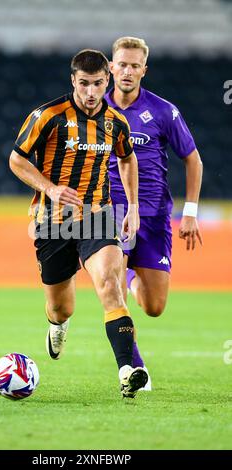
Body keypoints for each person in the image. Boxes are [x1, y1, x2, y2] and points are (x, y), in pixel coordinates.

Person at [9, 49, 148, 398]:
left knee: (110, 286)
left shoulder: (116, 121)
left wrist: (132, 205)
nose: (90, 92)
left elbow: (127, 159)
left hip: (98, 217)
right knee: (60, 306)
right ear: (73, 80)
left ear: (107, 81)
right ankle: (58, 325)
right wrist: (50, 188)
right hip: (52, 223)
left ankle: (127, 371)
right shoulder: (48, 115)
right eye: (84, 84)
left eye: (98, 84)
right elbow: (17, 160)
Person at [105, 37, 203, 375]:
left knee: (154, 306)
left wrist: (189, 213)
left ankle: (130, 273)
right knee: (112, 289)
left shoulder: (163, 110)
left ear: (144, 70)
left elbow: (193, 159)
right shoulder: (95, 110)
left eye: (135, 65)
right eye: (122, 64)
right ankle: (133, 367)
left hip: (156, 215)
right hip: (113, 213)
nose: (128, 71)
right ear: (111, 66)